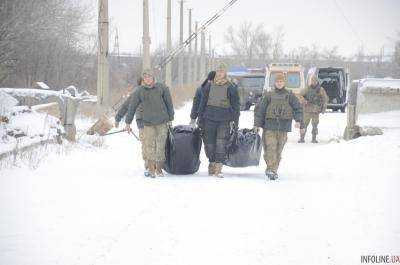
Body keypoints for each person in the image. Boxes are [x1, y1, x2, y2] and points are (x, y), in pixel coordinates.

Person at [253, 72, 304, 180]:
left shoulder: (290, 96)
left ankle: (273, 169)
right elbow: (260, 110)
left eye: (281, 81)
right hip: (269, 126)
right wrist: (257, 124)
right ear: (274, 83)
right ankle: (271, 169)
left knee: (278, 150)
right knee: (270, 148)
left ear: (284, 82)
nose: (279, 83)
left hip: (283, 127)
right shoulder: (268, 95)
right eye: (277, 81)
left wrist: (299, 121)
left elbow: (298, 108)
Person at [124, 69, 174, 178]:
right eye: (145, 77)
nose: (147, 79)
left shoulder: (162, 88)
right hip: (148, 123)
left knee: (160, 146)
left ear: (153, 78)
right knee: (149, 146)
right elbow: (132, 107)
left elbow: (169, 104)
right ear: (143, 79)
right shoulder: (139, 91)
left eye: (149, 77)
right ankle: (151, 169)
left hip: (162, 122)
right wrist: (128, 122)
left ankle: (159, 169)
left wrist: (171, 118)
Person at [197, 63, 240, 177]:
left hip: (224, 120)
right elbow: (203, 103)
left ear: (225, 73)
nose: (220, 73)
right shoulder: (209, 86)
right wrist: (199, 118)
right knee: (209, 144)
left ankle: (218, 168)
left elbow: (236, 106)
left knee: (221, 144)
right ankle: (211, 164)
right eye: (218, 71)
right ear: (216, 72)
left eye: (222, 71)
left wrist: (236, 122)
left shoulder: (231, 87)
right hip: (209, 119)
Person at [115, 77, 151, 176]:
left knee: (154, 143)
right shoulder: (136, 93)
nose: (147, 82)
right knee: (146, 143)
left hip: (155, 121)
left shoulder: (154, 90)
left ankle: (155, 163)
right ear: (140, 83)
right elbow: (126, 106)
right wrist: (118, 118)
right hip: (142, 121)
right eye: (145, 81)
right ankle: (148, 165)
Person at [298, 75, 329, 143]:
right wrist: (304, 101)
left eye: (315, 81)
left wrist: (323, 108)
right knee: (304, 124)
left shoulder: (321, 89)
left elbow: (325, 99)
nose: (313, 82)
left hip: (316, 110)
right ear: (310, 81)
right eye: (312, 80)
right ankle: (302, 138)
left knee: (315, 125)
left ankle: (314, 138)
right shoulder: (307, 89)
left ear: (317, 81)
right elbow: (300, 95)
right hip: (307, 110)